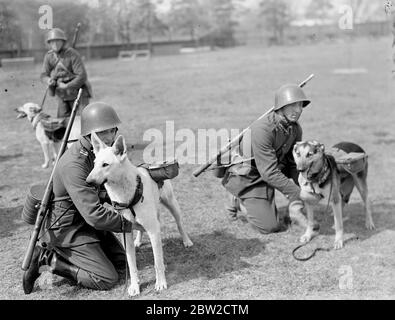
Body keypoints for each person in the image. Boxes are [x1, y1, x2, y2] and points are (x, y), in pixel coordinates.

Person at [22, 102, 133, 294]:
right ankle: (48, 259)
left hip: (82, 219)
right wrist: (130, 224)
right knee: (106, 278)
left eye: (112, 130)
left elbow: (101, 189)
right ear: (90, 134)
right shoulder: (76, 163)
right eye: (104, 132)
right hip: (66, 227)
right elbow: (94, 215)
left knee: (123, 263)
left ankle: (78, 254)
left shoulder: (95, 153)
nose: (110, 137)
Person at [223, 83, 311, 234]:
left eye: (300, 105)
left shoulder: (295, 128)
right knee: (269, 227)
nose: (298, 110)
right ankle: (237, 198)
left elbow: (292, 163)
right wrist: (297, 193)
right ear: (281, 106)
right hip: (250, 177)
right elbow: (268, 173)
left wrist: (304, 185)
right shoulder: (262, 130)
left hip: (271, 169)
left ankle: (262, 200)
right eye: (293, 105)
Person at [40, 28, 92, 118]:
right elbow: (43, 75)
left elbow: (82, 76)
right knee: (62, 124)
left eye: (58, 41)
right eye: (52, 42)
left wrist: (67, 86)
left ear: (63, 42)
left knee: (83, 123)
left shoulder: (72, 54)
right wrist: (48, 80)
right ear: (49, 43)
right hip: (62, 95)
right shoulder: (49, 56)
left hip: (79, 93)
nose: (55, 44)